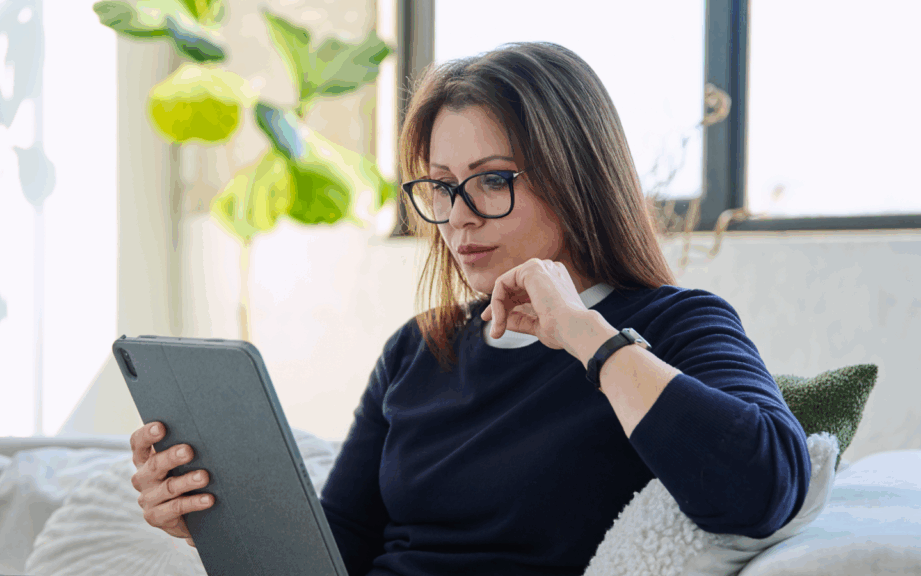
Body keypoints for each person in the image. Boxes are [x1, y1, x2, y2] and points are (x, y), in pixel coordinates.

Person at [128, 41, 811, 575]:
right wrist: (214, 522)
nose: (457, 219)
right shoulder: (418, 349)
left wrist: (584, 336)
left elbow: (763, 489)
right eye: (442, 186)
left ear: (576, 179)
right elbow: (341, 548)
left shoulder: (675, 324)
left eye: (492, 181)